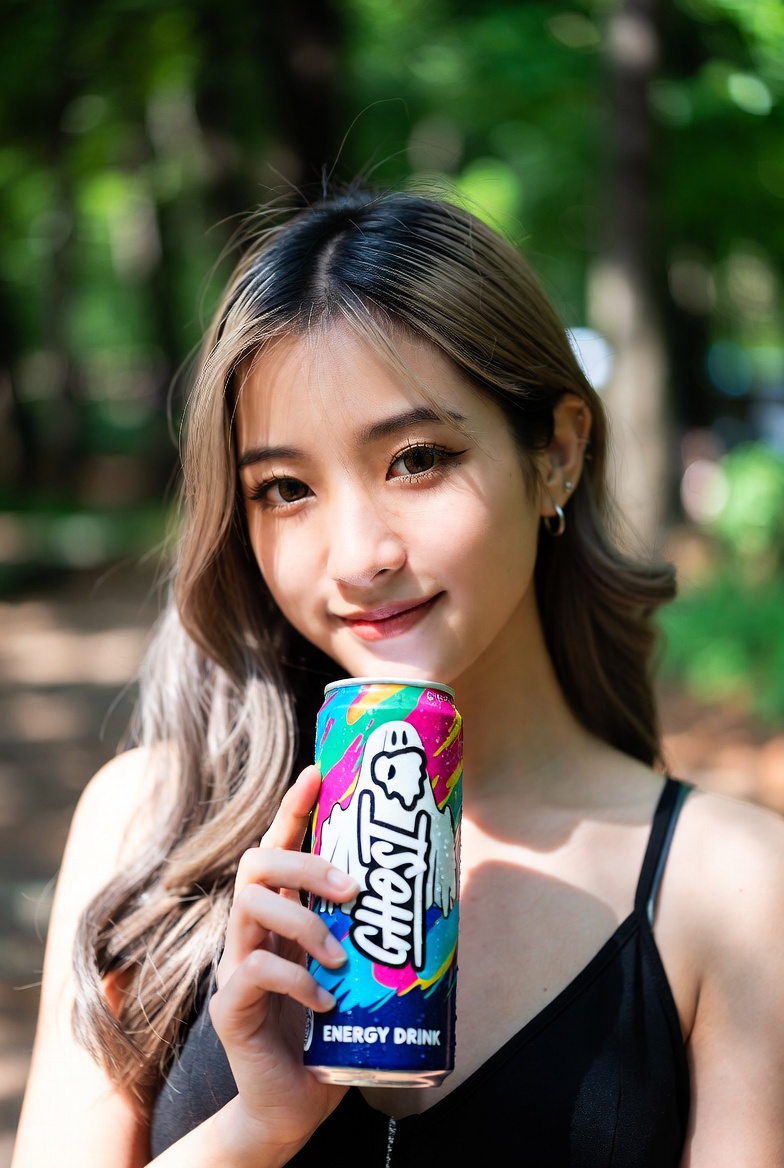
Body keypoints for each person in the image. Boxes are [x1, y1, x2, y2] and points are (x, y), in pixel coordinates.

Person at [11, 186, 784, 1168]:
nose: (357, 554)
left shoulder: (732, 890)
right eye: (285, 489)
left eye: (416, 459)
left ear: (556, 453)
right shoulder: (147, 829)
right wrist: (257, 1128)